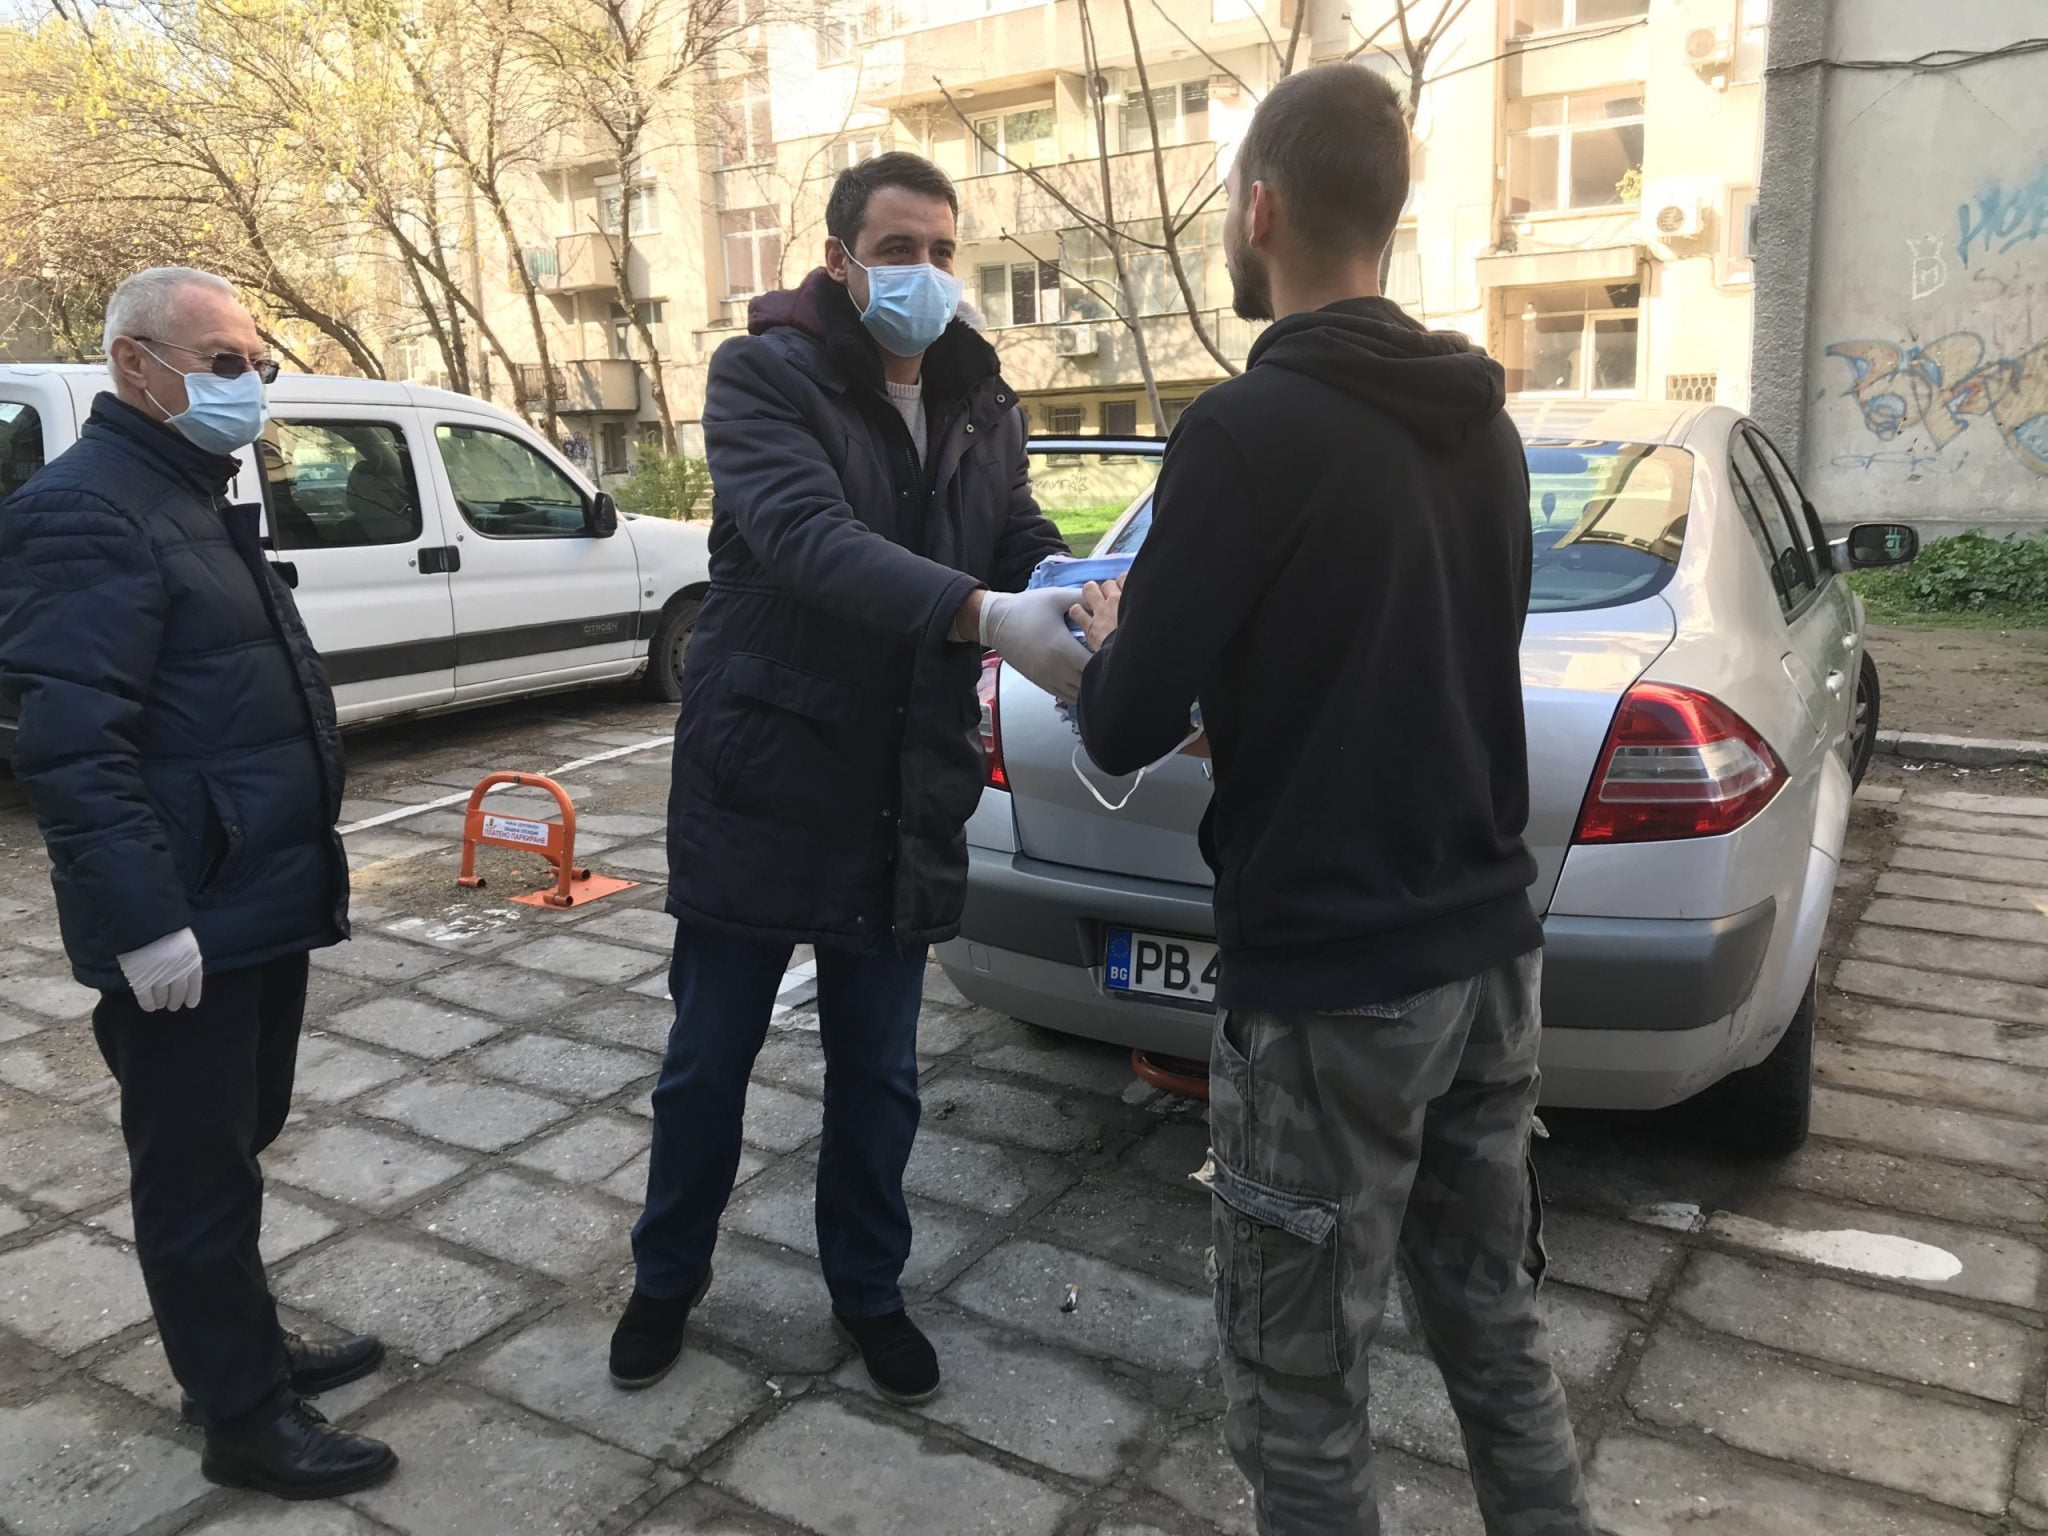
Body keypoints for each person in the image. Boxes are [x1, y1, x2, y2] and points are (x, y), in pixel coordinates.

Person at [1069, 68, 1594, 1536]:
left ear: (1261, 209)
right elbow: (1416, 673)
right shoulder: (1483, 428)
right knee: (1495, 1332)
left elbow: (1122, 718)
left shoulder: (1249, 431)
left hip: (1333, 983)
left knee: (1298, 1393)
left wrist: (1117, 639)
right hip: (1489, 958)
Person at [611, 154, 1084, 1403]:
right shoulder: (762, 376)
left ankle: (868, 1290)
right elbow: (805, 539)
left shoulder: (980, 396)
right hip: (764, 777)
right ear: (838, 260)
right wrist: (988, 616)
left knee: (878, 1074)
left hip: (902, 784)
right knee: (708, 1062)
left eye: (942, 251)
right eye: (896, 250)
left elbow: (1014, 534)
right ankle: (665, 1280)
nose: (925, 273)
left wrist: (1071, 589)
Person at [0, 268, 395, 1500]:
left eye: (254, 363)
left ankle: (241, 1349)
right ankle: (242, 1417)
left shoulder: (185, 488)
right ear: (135, 364)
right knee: (193, 1171)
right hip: (187, 916)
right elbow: (74, 746)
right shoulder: (84, 511)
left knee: (240, 1135)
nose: (249, 384)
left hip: (250, 893)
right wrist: (147, 925)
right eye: (223, 363)